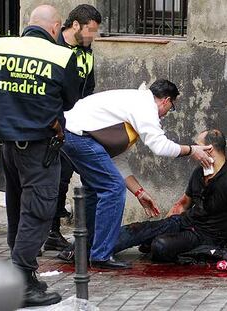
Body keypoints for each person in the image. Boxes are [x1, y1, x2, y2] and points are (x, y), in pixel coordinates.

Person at [0, 5, 80, 307]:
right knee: (38, 211)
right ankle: (22, 283)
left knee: (16, 208)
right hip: (40, 147)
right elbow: (70, 100)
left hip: (9, 146)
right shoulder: (62, 56)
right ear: (54, 28)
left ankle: (22, 277)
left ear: (29, 25)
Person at [60, 79, 214, 269]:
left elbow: (117, 162)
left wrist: (139, 192)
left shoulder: (132, 108)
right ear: (166, 101)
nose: (166, 115)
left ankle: (86, 249)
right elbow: (160, 146)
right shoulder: (145, 106)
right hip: (77, 135)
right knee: (113, 189)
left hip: (71, 133)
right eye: (171, 108)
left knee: (95, 188)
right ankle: (100, 255)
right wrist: (192, 151)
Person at [113, 129, 227, 263]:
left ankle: (157, 244)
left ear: (209, 149)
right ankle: (98, 247)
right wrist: (162, 226)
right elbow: (182, 204)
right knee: (139, 230)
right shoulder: (199, 172)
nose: (194, 150)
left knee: (160, 245)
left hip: (206, 236)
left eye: (198, 146)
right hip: (186, 222)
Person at [44, 4, 101, 253]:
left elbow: (88, 87)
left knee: (64, 177)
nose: (93, 36)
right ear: (75, 25)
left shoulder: (86, 51)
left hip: (75, 123)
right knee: (50, 179)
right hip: (51, 122)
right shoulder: (53, 48)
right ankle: (44, 231)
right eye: (90, 30)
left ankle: (53, 232)